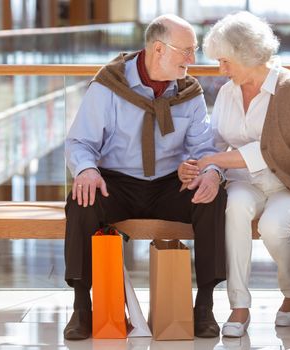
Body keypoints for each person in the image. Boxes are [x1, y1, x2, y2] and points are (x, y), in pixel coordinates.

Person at [63, 14, 226, 340]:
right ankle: (82, 306)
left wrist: (210, 172)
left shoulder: (189, 92)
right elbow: (80, 142)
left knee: (213, 196)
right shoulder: (109, 84)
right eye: (186, 51)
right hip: (116, 182)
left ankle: (204, 305)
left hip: (170, 183)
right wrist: (87, 169)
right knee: (82, 198)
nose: (192, 61)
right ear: (158, 50)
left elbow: (204, 147)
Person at [179, 12, 290, 338]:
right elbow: (215, 142)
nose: (221, 69)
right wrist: (211, 171)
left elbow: (273, 152)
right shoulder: (228, 92)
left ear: (246, 54)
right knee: (233, 209)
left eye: (225, 61)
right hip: (244, 181)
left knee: (273, 227)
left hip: (287, 184)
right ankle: (239, 306)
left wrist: (213, 159)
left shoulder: (287, 87)